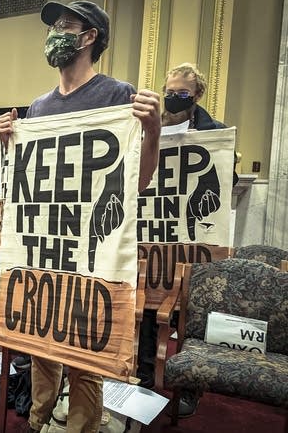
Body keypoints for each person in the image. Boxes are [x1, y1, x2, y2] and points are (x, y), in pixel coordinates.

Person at [0, 0, 161, 433]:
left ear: (89, 37)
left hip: (91, 247)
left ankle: (82, 427)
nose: (54, 33)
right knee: (40, 342)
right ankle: (38, 421)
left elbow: (138, 181)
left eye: (64, 26)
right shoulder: (39, 106)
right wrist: (10, 142)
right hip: (46, 244)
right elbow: (28, 181)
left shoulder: (117, 94)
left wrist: (155, 129)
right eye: (52, 26)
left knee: (86, 352)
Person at [136, 62, 233, 416]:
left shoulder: (214, 131)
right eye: (170, 91)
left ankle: (188, 388)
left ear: (197, 95)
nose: (173, 98)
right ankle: (146, 375)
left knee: (190, 313)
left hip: (190, 237)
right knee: (149, 306)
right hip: (153, 237)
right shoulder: (149, 126)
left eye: (182, 94)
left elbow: (224, 179)